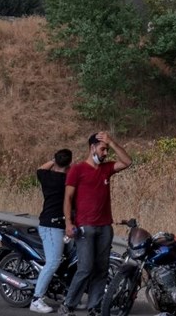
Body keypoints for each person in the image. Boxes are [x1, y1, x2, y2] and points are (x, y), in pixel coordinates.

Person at [61, 132, 132, 316]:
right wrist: (69, 223)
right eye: (102, 149)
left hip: (104, 227)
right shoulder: (77, 170)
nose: (105, 153)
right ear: (92, 148)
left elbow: (127, 162)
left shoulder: (106, 168)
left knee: (101, 269)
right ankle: (68, 305)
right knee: (85, 268)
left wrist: (112, 142)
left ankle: (94, 307)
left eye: (107, 150)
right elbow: (68, 198)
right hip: (85, 227)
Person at [31, 148, 73, 314]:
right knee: (53, 262)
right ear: (69, 163)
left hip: (52, 223)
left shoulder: (46, 176)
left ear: (55, 161)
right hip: (52, 226)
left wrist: (54, 160)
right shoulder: (68, 180)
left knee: (64, 260)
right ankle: (36, 298)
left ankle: (61, 292)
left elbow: (40, 168)